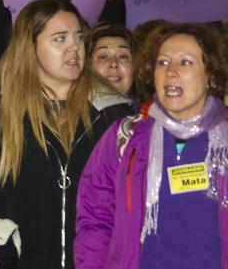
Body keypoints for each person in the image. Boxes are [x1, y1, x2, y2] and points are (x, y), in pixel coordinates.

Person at [0, 0, 133, 269]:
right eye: (59, 39)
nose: (74, 47)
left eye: (79, 38)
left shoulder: (113, 117)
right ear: (30, 48)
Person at [75, 23, 228, 269]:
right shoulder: (125, 137)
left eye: (185, 62)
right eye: (163, 63)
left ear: (211, 73)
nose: (171, 72)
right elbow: (94, 221)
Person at [85, 22, 136, 97]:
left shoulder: (148, 108)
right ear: (88, 66)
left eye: (122, 56)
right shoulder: (70, 108)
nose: (114, 63)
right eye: (103, 57)